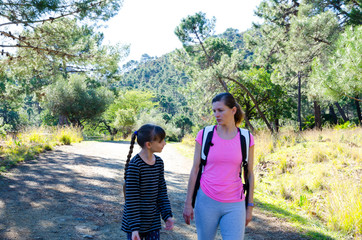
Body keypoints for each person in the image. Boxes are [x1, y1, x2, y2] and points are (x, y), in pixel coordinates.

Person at [183, 92, 255, 240]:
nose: (217, 114)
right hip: (206, 201)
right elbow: (195, 170)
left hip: (235, 204)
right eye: (214, 111)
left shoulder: (246, 138)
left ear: (233, 110)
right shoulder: (204, 135)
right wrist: (188, 203)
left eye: (220, 110)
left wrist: (250, 207)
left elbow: (249, 173)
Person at [121, 124, 174, 240]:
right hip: (135, 223)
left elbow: (162, 192)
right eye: (161, 141)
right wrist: (134, 228)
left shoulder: (159, 163)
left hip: (152, 221)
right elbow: (132, 199)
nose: (164, 143)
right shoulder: (135, 165)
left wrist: (167, 216)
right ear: (149, 145)